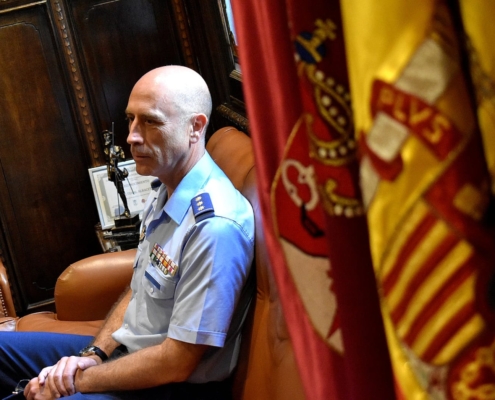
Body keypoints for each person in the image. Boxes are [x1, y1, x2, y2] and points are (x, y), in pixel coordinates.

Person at [0, 65, 255, 400]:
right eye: (131, 119)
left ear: (195, 127)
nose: (132, 135)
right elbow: (137, 291)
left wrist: (72, 383)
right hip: (128, 351)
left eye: (150, 121)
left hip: (167, 385)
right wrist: (92, 356)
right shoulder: (166, 187)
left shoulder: (215, 227)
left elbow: (176, 363)